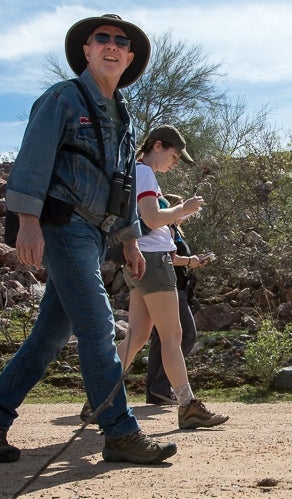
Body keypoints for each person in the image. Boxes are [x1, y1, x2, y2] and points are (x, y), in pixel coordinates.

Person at [0, 14, 178, 465]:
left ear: (130, 57)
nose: (112, 46)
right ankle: (119, 432)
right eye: (102, 38)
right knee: (99, 326)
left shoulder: (123, 115)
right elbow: (32, 162)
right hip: (62, 227)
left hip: (95, 234)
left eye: (121, 42)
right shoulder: (62, 99)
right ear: (86, 50)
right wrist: (27, 222)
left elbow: (120, 185)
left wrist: (130, 240)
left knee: (48, 336)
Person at [112, 125, 228, 430]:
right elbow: (151, 219)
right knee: (172, 336)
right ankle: (187, 405)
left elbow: (149, 220)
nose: (174, 163)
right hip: (153, 261)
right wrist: (182, 208)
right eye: (175, 156)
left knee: (137, 336)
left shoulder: (135, 171)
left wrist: (178, 214)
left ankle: (99, 397)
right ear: (158, 146)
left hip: (140, 260)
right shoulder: (146, 173)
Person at [144, 192, 210, 405]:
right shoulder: (165, 230)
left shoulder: (170, 230)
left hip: (172, 285)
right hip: (169, 286)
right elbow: (170, 258)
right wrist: (191, 261)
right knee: (186, 334)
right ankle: (163, 386)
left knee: (159, 339)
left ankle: (156, 391)